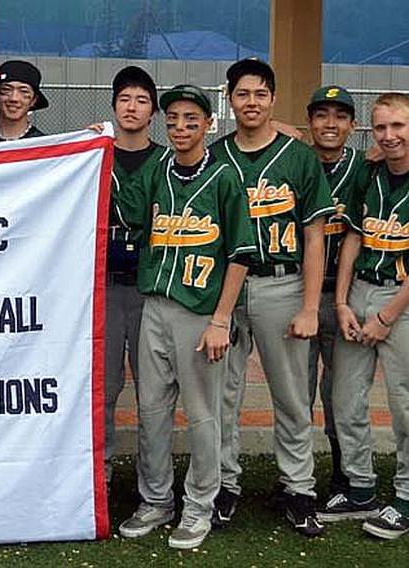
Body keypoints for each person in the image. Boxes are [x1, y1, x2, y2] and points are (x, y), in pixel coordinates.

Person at [115, 84, 255, 550]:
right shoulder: (158, 171)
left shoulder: (225, 177)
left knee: (202, 417)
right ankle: (156, 501)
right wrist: (98, 144)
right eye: (172, 119)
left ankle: (199, 506)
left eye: (191, 120)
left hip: (200, 313)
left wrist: (222, 319)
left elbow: (239, 254)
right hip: (154, 303)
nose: (180, 127)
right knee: (152, 412)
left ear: (208, 124)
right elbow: (129, 210)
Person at [212, 58, 334, 537]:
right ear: (230, 99)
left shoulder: (297, 156)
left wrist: (308, 305)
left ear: (273, 99)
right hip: (226, 286)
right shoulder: (216, 155)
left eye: (261, 94)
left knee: (290, 396)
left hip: (282, 283)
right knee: (223, 395)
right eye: (242, 94)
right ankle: (223, 484)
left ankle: (299, 488)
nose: (252, 102)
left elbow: (315, 237)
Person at [331, 92, 409, 540]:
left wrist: (387, 317)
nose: (389, 135)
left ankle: (405, 496)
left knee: (403, 404)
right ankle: (361, 488)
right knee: (346, 397)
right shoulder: (369, 173)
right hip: (361, 288)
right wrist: (342, 302)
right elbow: (353, 240)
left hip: (402, 298)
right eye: (381, 127)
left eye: (398, 126)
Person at [100, 66, 170, 485]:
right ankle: (100, 473)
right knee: (104, 389)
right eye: (125, 98)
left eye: (142, 100)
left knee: (154, 391)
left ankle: (154, 482)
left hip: (151, 290)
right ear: (113, 105)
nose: (132, 107)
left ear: (153, 111)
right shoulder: (94, 154)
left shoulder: (166, 161)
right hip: (104, 286)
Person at [301, 86, 370, 509]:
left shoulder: (365, 166)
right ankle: (298, 478)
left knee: (341, 394)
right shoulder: (294, 160)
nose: (330, 124)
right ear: (309, 122)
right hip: (301, 292)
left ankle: (345, 475)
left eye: (340, 116)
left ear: (352, 125)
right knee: (298, 392)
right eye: (322, 115)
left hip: (345, 294)